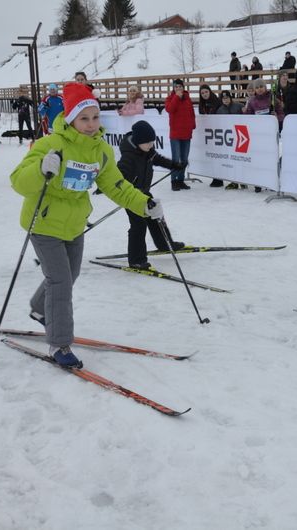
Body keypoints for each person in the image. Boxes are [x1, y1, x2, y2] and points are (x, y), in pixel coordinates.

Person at [10, 83, 159, 368]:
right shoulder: (49, 145)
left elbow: (116, 185)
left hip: (74, 224)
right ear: (70, 119)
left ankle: (41, 309)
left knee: (70, 274)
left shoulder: (101, 151)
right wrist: (41, 169)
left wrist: (143, 203)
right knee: (61, 282)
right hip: (43, 223)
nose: (91, 125)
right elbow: (17, 181)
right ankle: (59, 343)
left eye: (95, 117)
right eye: (84, 119)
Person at [117, 120, 186, 269]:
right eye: (147, 143)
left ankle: (165, 244)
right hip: (131, 196)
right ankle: (136, 260)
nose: (151, 145)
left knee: (156, 216)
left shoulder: (147, 151)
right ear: (138, 141)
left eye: (152, 142)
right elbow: (118, 180)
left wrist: (174, 165)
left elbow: (158, 159)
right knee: (138, 225)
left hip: (144, 192)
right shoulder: (128, 158)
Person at [165, 78, 196, 191]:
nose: (178, 88)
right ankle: (174, 181)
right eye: (176, 87)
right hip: (175, 134)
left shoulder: (188, 99)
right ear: (173, 88)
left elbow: (192, 113)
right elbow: (170, 109)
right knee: (176, 159)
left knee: (184, 158)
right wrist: (176, 97)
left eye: (180, 86)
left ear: (183, 87)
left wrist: (192, 125)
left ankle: (181, 180)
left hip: (186, 133)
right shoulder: (170, 99)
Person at [199, 84, 223, 187]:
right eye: (202, 93)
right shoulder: (202, 104)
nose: (205, 94)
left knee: (219, 156)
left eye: (206, 92)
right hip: (209, 133)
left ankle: (219, 178)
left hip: (219, 132)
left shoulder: (217, 102)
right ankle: (215, 177)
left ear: (210, 91)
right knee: (212, 156)